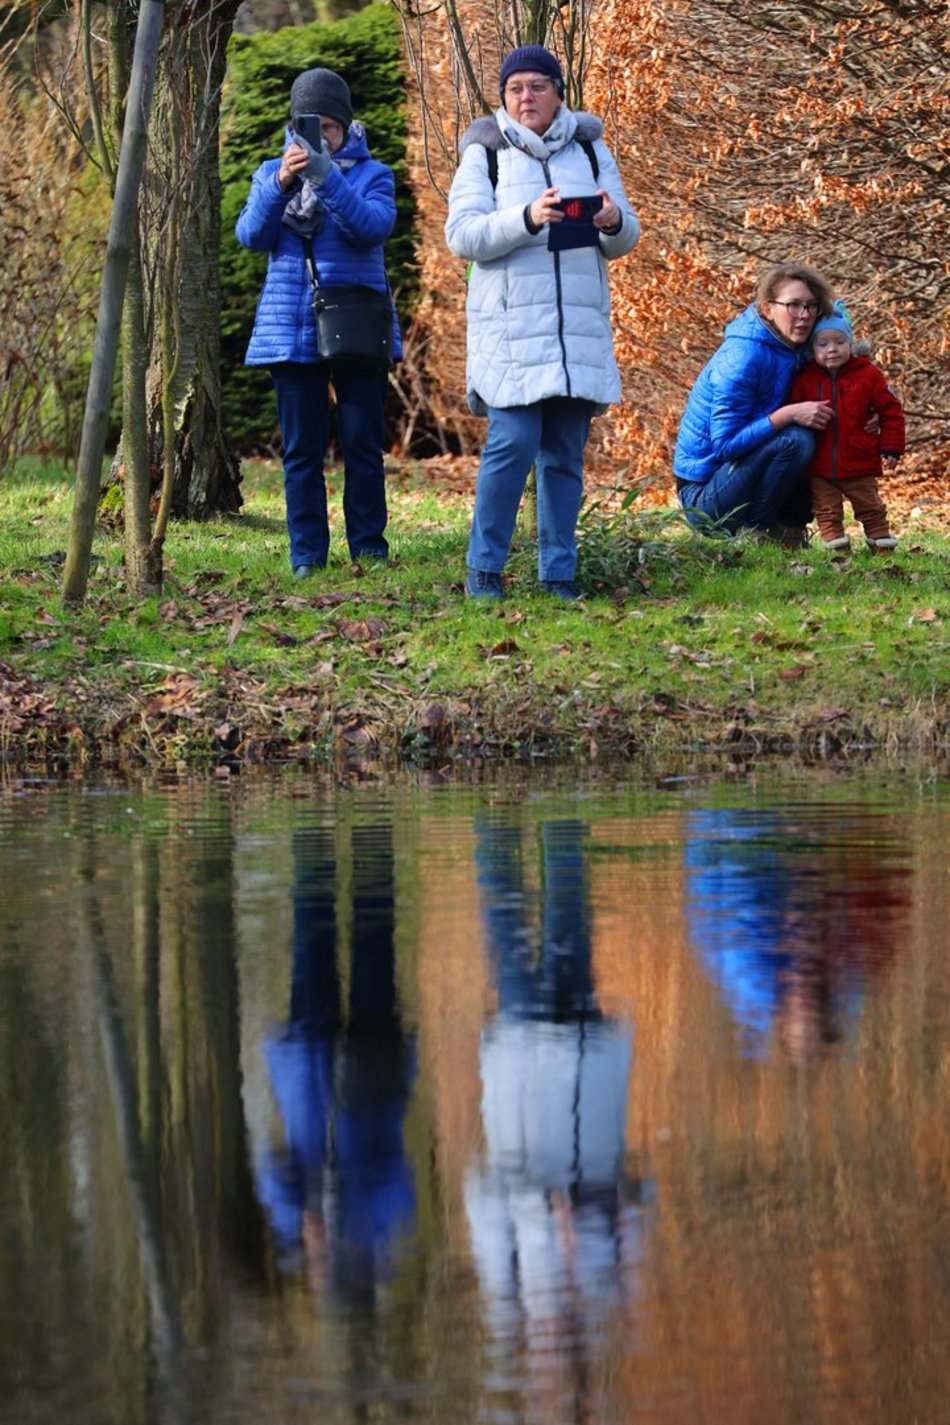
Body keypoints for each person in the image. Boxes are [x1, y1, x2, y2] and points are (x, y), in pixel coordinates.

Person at [444, 45, 641, 601]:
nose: (525, 97)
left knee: (564, 456)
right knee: (513, 442)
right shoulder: (484, 152)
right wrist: (526, 218)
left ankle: (560, 575)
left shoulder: (590, 147)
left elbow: (626, 237)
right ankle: (484, 571)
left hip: (576, 328)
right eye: (514, 89)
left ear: (558, 91)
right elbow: (462, 236)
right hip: (509, 332)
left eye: (536, 86)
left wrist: (611, 219)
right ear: (503, 98)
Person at [236, 67, 400, 578]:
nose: (320, 135)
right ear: (293, 126)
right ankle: (307, 555)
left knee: (363, 447)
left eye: (330, 125)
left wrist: (327, 177)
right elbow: (251, 235)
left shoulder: (373, 174)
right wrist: (283, 183)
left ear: (347, 127)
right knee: (302, 453)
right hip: (290, 327)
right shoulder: (270, 173)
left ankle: (369, 549)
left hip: (355, 324)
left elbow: (370, 229)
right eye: (310, 125)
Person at [673, 262, 838, 545]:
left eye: (812, 306)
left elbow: (852, 380)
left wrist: (873, 411)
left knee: (821, 424)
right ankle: (755, 531)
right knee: (795, 438)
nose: (805, 315)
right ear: (767, 310)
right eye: (794, 305)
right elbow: (725, 446)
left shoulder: (799, 347)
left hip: (741, 476)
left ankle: (789, 529)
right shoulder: (743, 357)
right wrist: (786, 414)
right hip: (706, 498)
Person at [788, 304, 904, 552]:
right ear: (812, 349)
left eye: (839, 342)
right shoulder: (804, 379)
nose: (832, 349)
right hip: (819, 463)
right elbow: (791, 409)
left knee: (870, 506)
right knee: (826, 510)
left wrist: (891, 447)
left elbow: (890, 410)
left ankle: (881, 544)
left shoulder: (868, 375)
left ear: (850, 344)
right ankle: (836, 549)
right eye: (823, 344)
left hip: (859, 459)